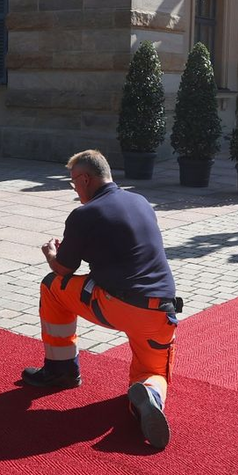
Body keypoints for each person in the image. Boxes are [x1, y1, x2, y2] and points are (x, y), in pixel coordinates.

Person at [21, 149, 180, 450]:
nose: (75, 189)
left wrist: (50, 253)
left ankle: (61, 370)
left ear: (85, 178)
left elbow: (65, 268)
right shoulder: (141, 201)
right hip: (160, 310)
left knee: (53, 286)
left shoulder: (85, 214)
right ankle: (148, 397)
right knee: (153, 371)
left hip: (115, 303)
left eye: (73, 183)